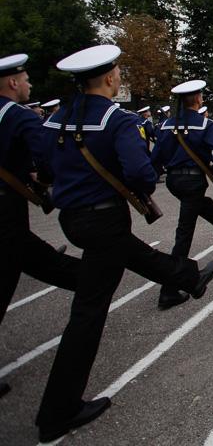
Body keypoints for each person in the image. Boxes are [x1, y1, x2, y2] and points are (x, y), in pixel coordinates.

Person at [36, 45, 213, 441]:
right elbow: (139, 172)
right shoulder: (117, 120)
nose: (119, 75)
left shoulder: (56, 119)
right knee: (88, 310)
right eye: (118, 70)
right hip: (103, 215)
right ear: (109, 77)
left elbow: (45, 166)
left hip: (72, 218)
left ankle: (187, 277)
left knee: (129, 254)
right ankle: (57, 411)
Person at [0, 54, 81, 400]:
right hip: (5, 207)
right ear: (13, 82)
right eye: (26, 79)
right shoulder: (17, 116)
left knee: (27, 254)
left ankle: (83, 278)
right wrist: (45, 181)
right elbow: (47, 157)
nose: (29, 84)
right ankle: (87, 280)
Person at [150, 80, 213, 310]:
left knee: (201, 204)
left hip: (174, 180)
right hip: (193, 180)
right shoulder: (205, 124)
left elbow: (156, 159)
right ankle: (169, 290)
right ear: (199, 99)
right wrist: (210, 167)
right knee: (184, 232)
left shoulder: (166, 125)